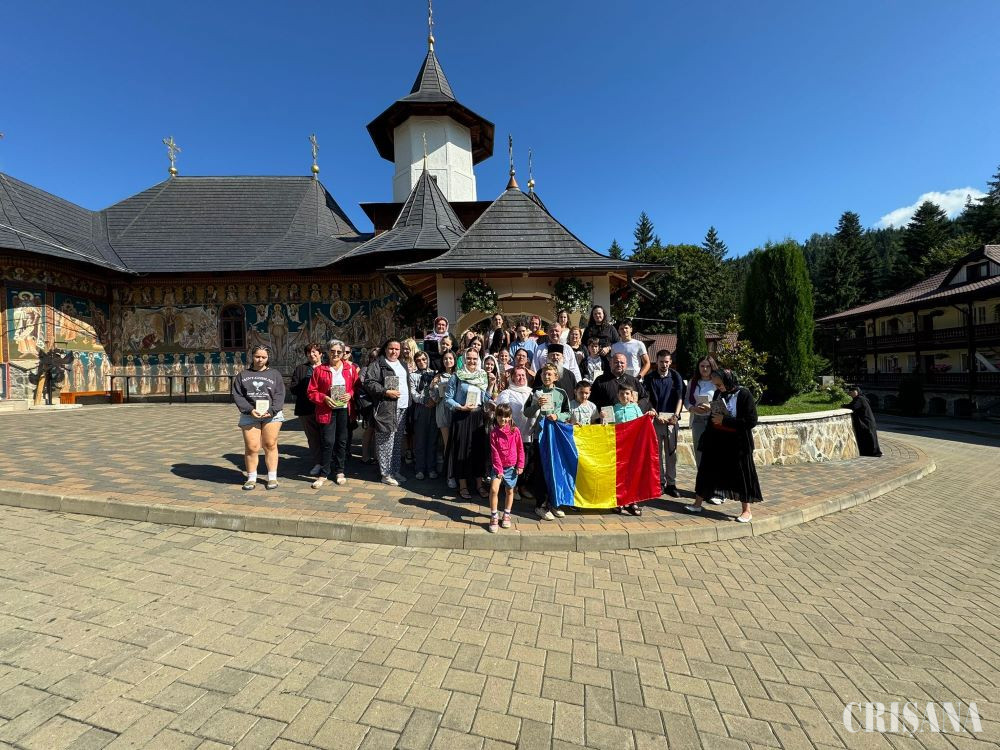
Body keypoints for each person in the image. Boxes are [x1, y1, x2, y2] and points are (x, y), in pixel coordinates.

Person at [684, 369, 763, 523]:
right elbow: (717, 415)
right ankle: (697, 504)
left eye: (720, 385)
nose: (718, 388)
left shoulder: (744, 394)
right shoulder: (719, 394)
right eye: (716, 385)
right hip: (717, 440)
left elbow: (751, 421)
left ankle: (746, 511)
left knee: (742, 474)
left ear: (728, 381)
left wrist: (725, 421)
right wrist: (711, 411)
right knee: (706, 470)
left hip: (738, 443)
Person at [306, 339, 360, 488]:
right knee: (328, 441)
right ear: (327, 352)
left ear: (343, 353)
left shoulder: (350, 369)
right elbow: (311, 392)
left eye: (339, 352)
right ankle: (324, 473)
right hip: (326, 409)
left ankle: (340, 471)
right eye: (332, 351)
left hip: (344, 409)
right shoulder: (320, 370)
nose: (335, 354)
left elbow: (357, 387)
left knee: (342, 441)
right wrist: (324, 398)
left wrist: (350, 394)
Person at [232, 345, 285, 490]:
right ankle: (251, 478)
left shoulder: (275, 374)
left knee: (270, 444)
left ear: (268, 358)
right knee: (252, 447)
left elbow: (280, 394)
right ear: (252, 356)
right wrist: (249, 410)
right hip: (250, 415)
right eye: (257, 356)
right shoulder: (243, 375)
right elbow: (238, 395)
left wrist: (272, 410)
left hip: (271, 415)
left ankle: (272, 477)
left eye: (263, 357)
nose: (260, 360)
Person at [524, 363, 571, 520]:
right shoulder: (536, 392)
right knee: (541, 471)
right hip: (540, 437)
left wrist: (558, 416)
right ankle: (540, 505)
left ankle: (554, 503)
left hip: (556, 437)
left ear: (556, 377)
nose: (546, 376)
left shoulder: (561, 393)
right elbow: (526, 412)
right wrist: (537, 405)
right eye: (544, 374)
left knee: (556, 469)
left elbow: (568, 413)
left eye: (549, 374)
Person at [364, 339, 410, 486]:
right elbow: (369, 382)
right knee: (385, 442)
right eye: (391, 348)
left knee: (396, 441)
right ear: (385, 349)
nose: (394, 352)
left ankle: (395, 471)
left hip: (402, 407)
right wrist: (385, 391)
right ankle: (385, 474)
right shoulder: (378, 364)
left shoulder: (402, 364)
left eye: (397, 349)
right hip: (386, 408)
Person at [445, 349, 490, 499]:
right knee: (462, 450)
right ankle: (463, 485)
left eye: (475, 359)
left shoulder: (482, 375)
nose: (472, 361)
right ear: (464, 359)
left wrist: (490, 390)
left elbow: (485, 398)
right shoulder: (457, 376)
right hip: (462, 416)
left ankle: (479, 484)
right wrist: (460, 407)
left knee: (478, 450)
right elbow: (448, 398)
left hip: (478, 417)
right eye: (469, 358)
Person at [643, 349, 685, 497]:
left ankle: (671, 484)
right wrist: (654, 412)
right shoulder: (650, 378)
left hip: (672, 421)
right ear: (657, 361)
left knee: (671, 453)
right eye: (661, 362)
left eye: (666, 362)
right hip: (656, 420)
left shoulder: (676, 376)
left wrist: (676, 415)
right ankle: (659, 482)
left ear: (670, 362)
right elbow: (646, 398)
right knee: (657, 454)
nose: (664, 365)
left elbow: (680, 397)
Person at [496, 365, 536, 501]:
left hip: (529, 433)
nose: (521, 377)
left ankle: (522, 486)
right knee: (513, 462)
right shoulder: (507, 393)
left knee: (527, 462)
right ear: (512, 377)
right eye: (518, 375)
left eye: (523, 375)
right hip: (512, 435)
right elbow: (503, 412)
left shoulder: (532, 392)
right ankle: (513, 488)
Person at [684, 355, 722, 502]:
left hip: (714, 421)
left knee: (714, 456)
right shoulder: (693, 382)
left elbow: (724, 401)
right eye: (702, 366)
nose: (705, 369)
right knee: (700, 456)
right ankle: (703, 490)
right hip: (698, 421)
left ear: (712, 367)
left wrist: (710, 406)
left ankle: (717, 491)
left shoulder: (717, 382)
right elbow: (686, 399)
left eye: (707, 366)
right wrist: (692, 408)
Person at [487, 402, 525, 533]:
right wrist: (498, 469)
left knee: (510, 491)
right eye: (500, 416)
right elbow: (494, 452)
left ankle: (507, 514)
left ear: (510, 417)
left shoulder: (515, 431)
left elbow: (520, 448)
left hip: (512, 467)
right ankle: (494, 516)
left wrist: (520, 464)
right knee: (494, 489)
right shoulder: (494, 433)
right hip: (498, 467)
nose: (502, 419)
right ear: (496, 416)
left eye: (506, 416)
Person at [289, 342, 323, 476]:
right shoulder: (301, 369)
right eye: (309, 352)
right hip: (306, 408)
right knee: (313, 437)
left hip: (324, 408)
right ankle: (318, 463)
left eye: (314, 351)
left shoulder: (327, 367)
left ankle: (328, 461)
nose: (311, 354)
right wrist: (307, 386)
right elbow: (293, 388)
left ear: (320, 353)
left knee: (327, 436)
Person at [409, 350, 440, 479]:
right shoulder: (413, 376)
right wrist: (424, 400)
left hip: (433, 409)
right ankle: (420, 468)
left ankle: (431, 468)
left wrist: (434, 400)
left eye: (424, 359)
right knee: (420, 440)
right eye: (418, 360)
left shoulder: (435, 374)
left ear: (427, 360)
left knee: (432, 440)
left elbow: (439, 389)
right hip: (421, 408)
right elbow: (413, 392)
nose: (421, 362)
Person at [433, 351, 458, 486]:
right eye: (445, 359)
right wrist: (433, 386)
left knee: (457, 444)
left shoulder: (460, 375)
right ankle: (450, 475)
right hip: (443, 411)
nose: (448, 361)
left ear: (455, 360)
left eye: (450, 358)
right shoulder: (439, 377)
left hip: (457, 411)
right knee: (448, 444)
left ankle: (458, 473)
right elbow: (435, 398)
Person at [843, 385, 882, 457]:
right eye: (851, 392)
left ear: (857, 392)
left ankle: (874, 452)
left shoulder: (860, 399)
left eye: (853, 392)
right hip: (867, 421)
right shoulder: (859, 398)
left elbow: (853, 406)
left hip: (867, 421)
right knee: (867, 436)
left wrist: (843, 405)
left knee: (869, 437)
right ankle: (869, 452)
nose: (851, 393)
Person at [360, 347, 379, 464]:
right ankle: (365, 456)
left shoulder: (382, 369)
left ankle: (377, 457)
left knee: (378, 431)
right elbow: (363, 384)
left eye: (377, 357)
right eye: (372, 357)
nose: (374, 359)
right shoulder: (365, 369)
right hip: (369, 404)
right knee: (370, 430)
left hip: (379, 403)